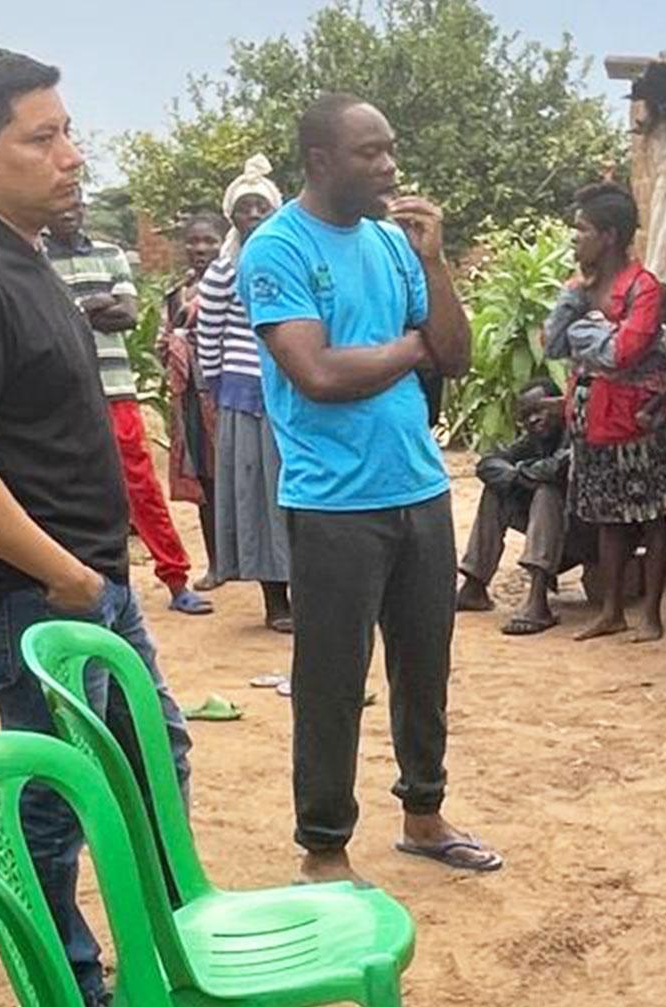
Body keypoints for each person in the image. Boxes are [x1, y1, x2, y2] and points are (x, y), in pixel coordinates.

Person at [0, 46, 193, 1007]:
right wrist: (64, 571)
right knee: (55, 802)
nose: (71, 155)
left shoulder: (19, 254)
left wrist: (94, 571)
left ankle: (162, 956)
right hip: (40, 597)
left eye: (69, 131)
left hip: (80, 587)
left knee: (152, 765)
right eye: (45, 136)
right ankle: (63, 995)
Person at [238, 93, 497, 880]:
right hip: (332, 503)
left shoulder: (393, 246)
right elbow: (316, 373)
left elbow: (453, 355)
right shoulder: (276, 249)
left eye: (390, 148)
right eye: (369, 153)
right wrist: (409, 348)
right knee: (332, 681)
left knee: (424, 665)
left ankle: (424, 812)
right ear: (320, 161)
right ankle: (324, 848)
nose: (389, 166)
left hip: (417, 490)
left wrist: (432, 262)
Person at [42, 201, 212, 617]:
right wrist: (90, 308)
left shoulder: (110, 254)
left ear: (82, 208)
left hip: (116, 390)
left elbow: (129, 317)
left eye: (74, 204)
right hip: (60, 396)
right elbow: (43, 319)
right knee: (62, 489)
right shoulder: (33, 257)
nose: (67, 212)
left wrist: (74, 312)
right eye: (59, 207)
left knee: (140, 486)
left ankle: (175, 578)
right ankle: (72, 585)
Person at [542, 182, 666, 644]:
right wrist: (590, 324)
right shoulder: (581, 289)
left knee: (652, 514)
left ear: (611, 235)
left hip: (638, 421)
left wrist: (591, 337)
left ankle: (652, 614)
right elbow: (554, 344)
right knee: (607, 515)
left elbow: (624, 351)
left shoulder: (645, 288)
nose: (575, 238)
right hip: (592, 419)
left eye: (582, 229)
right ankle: (612, 610)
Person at [198, 154, 290, 631]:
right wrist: (216, 390)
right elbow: (207, 335)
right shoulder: (223, 270)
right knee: (259, 497)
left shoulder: (291, 258)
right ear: (231, 215)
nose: (252, 216)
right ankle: (276, 601)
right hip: (246, 397)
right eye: (244, 208)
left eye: (261, 208)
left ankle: (306, 593)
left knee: (293, 496)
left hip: (294, 392)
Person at [456, 378, 587, 635]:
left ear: (559, 406)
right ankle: (475, 586)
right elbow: (488, 462)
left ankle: (538, 602)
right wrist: (519, 477)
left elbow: (558, 468)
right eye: (527, 415)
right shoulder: (533, 441)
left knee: (547, 491)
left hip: (589, 534)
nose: (534, 420)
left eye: (540, 411)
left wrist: (520, 475)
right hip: (556, 533)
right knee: (496, 490)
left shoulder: (578, 431)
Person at [161, 211, 225, 590]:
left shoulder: (235, 286)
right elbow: (162, 347)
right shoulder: (176, 296)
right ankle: (217, 563)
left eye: (209, 241)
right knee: (205, 481)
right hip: (191, 403)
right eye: (194, 242)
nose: (200, 249)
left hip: (226, 394)